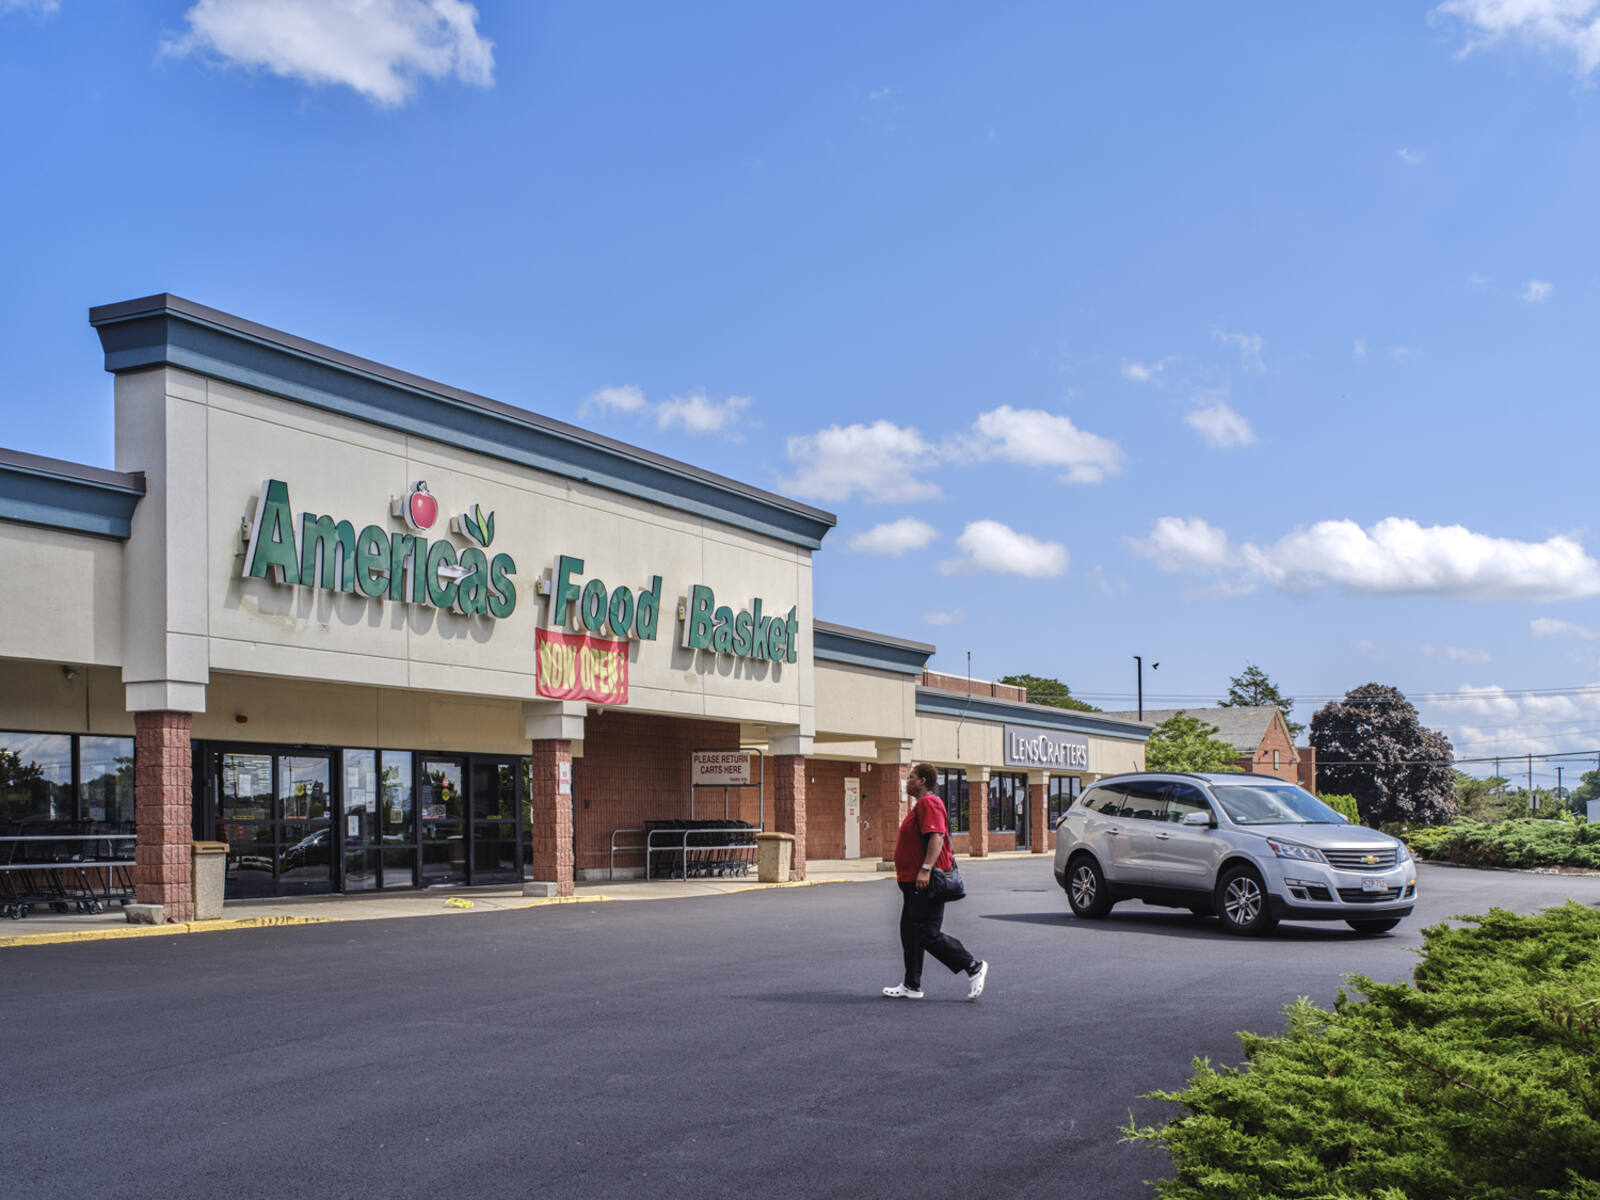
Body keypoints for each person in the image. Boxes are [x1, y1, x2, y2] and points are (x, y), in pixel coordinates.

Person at [883, 762, 988, 1001]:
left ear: (922, 781)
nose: (907, 781)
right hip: (912, 883)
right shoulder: (921, 805)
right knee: (910, 934)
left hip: (925, 882)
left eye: (910, 777)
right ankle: (911, 985)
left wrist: (925, 869)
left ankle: (973, 966)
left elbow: (937, 837)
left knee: (928, 934)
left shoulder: (930, 803)